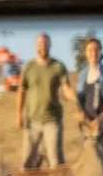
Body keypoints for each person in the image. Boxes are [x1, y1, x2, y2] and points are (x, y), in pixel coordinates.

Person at [17, 32, 74, 168]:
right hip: (32, 121)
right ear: (36, 46)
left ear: (50, 45)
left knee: (56, 162)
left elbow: (66, 88)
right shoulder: (28, 67)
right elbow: (21, 91)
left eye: (45, 43)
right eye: (40, 43)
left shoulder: (58, 66)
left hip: (52, 121)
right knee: (27, 162)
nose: (43, 46)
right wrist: (19, 115)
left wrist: (76, 99)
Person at [76, 36, 103, 176]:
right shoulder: (83, 74)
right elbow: (80, 99)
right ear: (85, 53)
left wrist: (100, 119)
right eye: (90, 50)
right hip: (88, 128)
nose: (93, 53)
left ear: (101, 52)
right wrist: (81, 114)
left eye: (96, 49)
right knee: (91, 165)